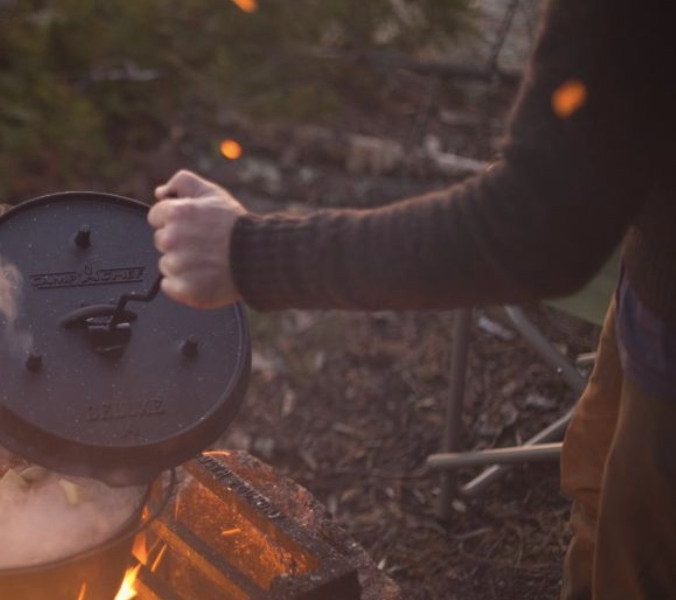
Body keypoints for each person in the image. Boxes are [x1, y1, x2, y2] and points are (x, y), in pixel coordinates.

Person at [146, 1, 675, 598]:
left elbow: (538, 228)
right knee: (597, 494)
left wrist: (253, 256)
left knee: (643, 565)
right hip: (651, 271)